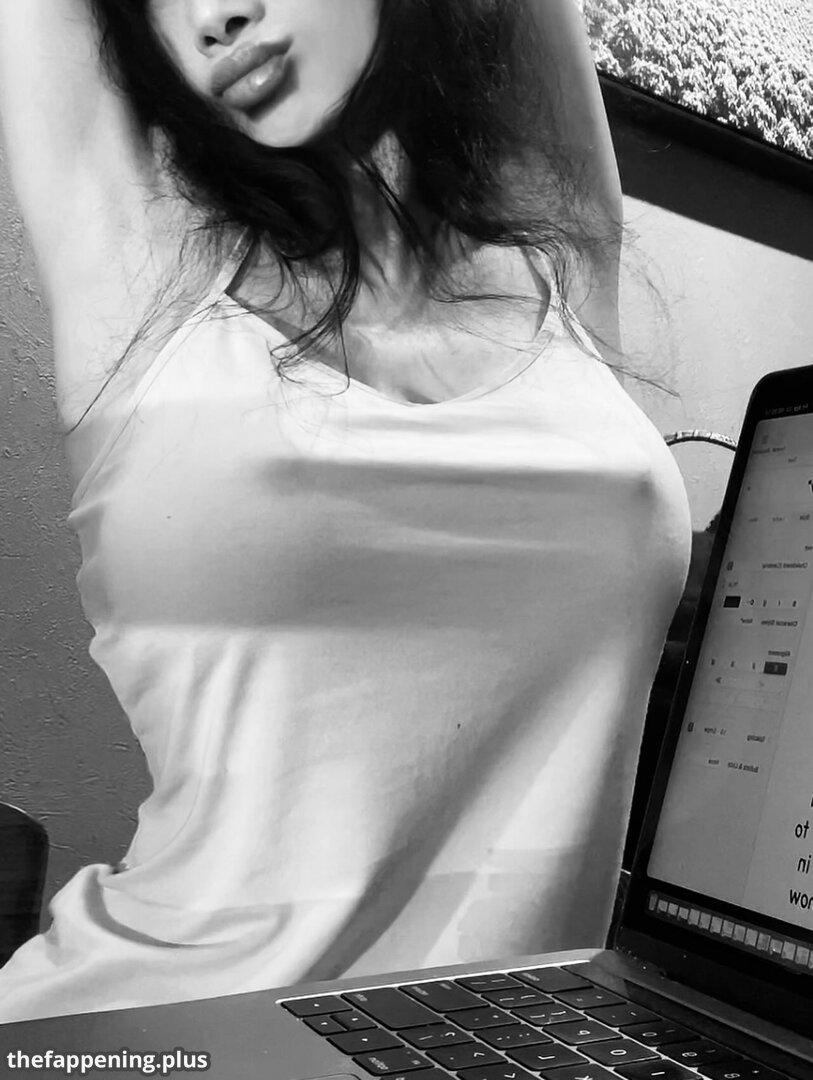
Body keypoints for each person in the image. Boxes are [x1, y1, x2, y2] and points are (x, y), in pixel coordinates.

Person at [0, 0, 691, 1023]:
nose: (212, 15)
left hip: (510, 1041)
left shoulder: (559, 249)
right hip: (148, 1038)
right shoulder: (146, 273)